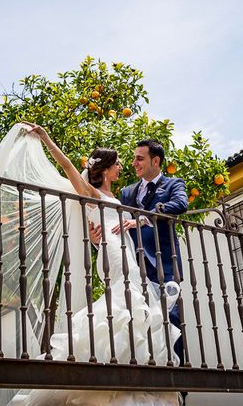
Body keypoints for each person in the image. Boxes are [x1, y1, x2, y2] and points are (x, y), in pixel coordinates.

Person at [9, 123, 181, 406]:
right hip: (113, 251)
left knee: (134, 300)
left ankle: (131, 365)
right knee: (125, 299)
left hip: (124, 248)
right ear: (105, 169)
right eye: (117, 164)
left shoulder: (119, 196)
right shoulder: (90, 192)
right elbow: (67, 167)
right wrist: (47, 137)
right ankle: (112, 361)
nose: (122, 167)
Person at [89, 139, 188, 365]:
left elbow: (181, 205)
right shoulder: (125, 193)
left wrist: (142, 218)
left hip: (163, 264)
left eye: (139, 158)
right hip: (132, 266)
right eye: (133, 158)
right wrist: (96, 240)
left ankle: (176, 382)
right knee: (136, 322)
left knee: (170, 320)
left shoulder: (173, 184)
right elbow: (113, 224)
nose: (134, 163)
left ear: (156, 160)